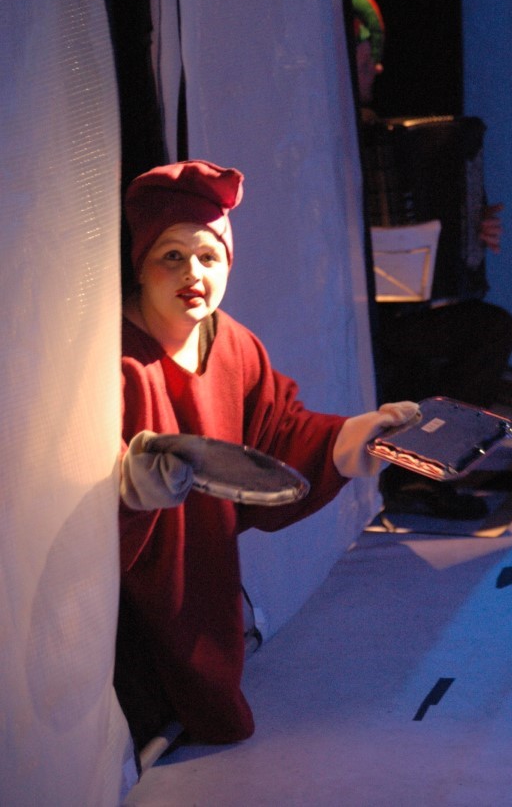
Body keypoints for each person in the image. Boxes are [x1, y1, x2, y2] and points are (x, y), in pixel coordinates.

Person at [115, 159, 420, 750]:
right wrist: (129, 484)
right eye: (171, 256)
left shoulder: (234, 344)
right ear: (141, 264)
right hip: (131, 589)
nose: (193, 273)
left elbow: (277, 438)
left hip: (204, 565)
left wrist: (359, 434)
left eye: (209, 256)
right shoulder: (117, 359)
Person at [350, 0, 512, 511]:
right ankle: (418, 471)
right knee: (486, 331)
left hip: (391, 311)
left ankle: (423, 469)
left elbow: (426, 228)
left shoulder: (381, 136)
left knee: (485, 327)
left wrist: (470, 230)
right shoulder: (334, 142)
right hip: (349, 313)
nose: (377, 68)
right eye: (365, 60)